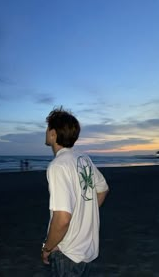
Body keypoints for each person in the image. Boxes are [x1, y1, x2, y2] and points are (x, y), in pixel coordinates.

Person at [41, 107, 109, 276]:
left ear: (53, 134)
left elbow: (62, 219)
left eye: (48, 128)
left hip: (68, 253)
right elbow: (102, 189)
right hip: (87, 250)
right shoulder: (83, 159)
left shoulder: (58, 166)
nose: (46, 131)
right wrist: (83, 215)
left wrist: (48, 247)